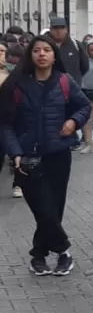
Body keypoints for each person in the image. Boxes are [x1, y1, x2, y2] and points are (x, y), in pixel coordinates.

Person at [0, 35, 91, 276]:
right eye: (37, 50)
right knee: (42, 208)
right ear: (30, 55)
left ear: (54, 56)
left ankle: (39, 255)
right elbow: (5, 124)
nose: (42, 54)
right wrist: (15, 151)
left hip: (58, 154)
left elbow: (84, 106)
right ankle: (64, 251)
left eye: (47, 50)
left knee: (54, 207)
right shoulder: (17, 85)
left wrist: (73, 121)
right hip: (27, 157)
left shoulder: (64, 81)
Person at [3, 42, 24, 199]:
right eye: (10, 63)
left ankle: (18, 184)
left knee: (18, 153)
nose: (12, 66)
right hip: (3, 120)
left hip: (18, 120)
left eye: (15, 63)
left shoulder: (23, 77)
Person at [48, 17, 89, 89]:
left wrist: (75, 79)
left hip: (72, 89)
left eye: (61, 28)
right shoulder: (45, 45)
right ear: (50, 30)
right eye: (55, 28)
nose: (58, 31)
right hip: (50, 89)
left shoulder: (76, 45)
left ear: (66, 29)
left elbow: (85, 67)